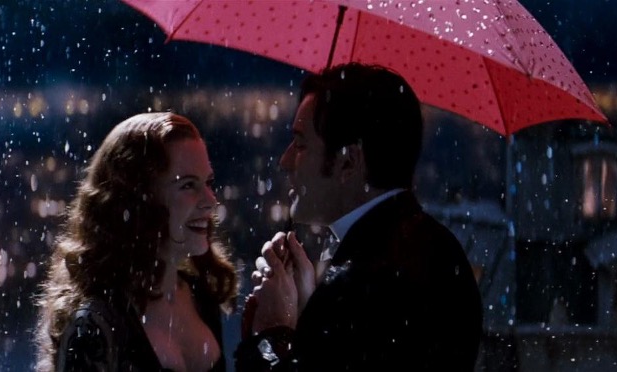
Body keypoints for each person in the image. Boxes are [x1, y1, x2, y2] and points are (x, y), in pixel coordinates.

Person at [235, 63, 483, 371]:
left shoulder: (367, 280)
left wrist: (272, 334)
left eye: (300, 144)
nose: (286, 161)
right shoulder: (439, 249)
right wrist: (311, 310)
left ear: (348, 162)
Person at [34, 112, 238, 372]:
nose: (210, 200)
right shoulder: (97, 326)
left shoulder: (202, 298)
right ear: (139, 199)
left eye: (209, 182)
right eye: (188, 185)